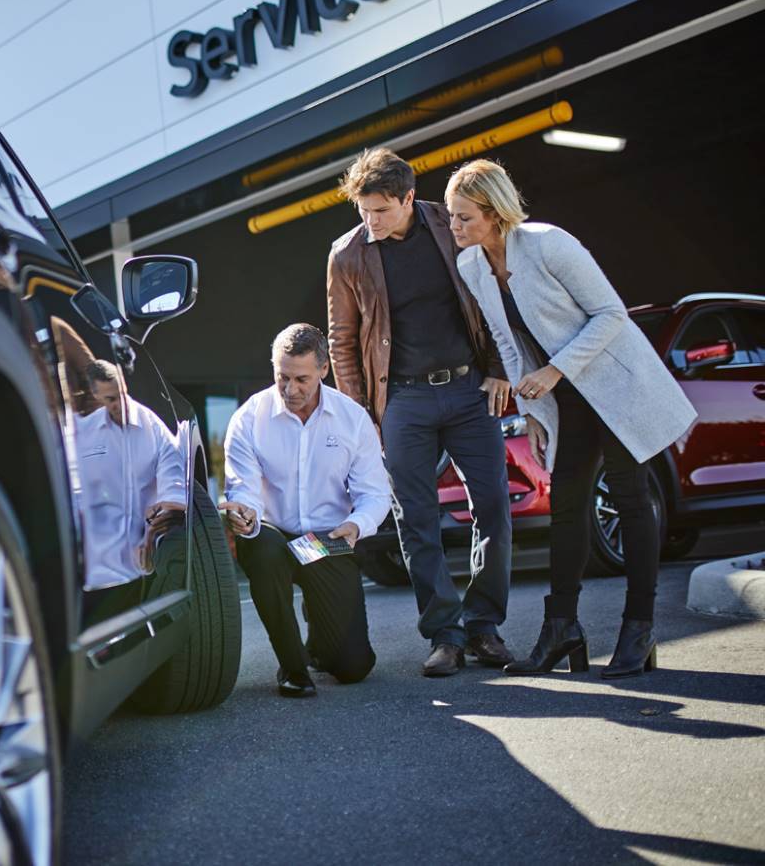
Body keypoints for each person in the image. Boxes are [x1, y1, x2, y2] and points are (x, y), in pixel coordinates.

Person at [446, 159, 697, 678]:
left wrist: (555, 372)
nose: (454, 226)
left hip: (615, 386)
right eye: (452, 215)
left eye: (464, 217)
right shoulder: (472, 266)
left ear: (495, 214)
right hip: (566, 398)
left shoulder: (549, 244)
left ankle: (639, 628)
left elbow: (611, 314)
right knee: (566, 506)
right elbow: (508, 344)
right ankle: (561, 628)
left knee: (630, 498)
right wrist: (532, 412)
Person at [327, 148, 514, 678]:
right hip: (402, 401)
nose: (371, 221)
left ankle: (484, 627)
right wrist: (361, 415)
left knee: (493, 507)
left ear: (409, 198)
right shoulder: (347, 255)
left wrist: (500, 367)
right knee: (416, 520)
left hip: (469, 390)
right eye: (363, 211)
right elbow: (341, 339)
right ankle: (445, 636)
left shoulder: (448, 223)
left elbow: (493, 293)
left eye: (381, 210)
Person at [220, 323, 390, 698]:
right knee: (264, 550)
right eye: (282, 377)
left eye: (301, 379)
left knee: (353, 667)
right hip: (274, 537)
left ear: (324, 369)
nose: (290, 389)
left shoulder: (352, 419)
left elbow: (376, 494)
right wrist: (245, 514)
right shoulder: (248, 419)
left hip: (325, 541)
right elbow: (244, 489)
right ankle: (293, 667)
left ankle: (318, 636)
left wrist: (356, 525)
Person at [76, 360, 186, 589]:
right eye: (111, 399)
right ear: (97, 396)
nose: (120, 404)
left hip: (155, 534)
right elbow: (78, 494)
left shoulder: (153, 427)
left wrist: (152, 533)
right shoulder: (84, 433)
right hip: (103, 545)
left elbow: (174, 485)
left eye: (122, 394)